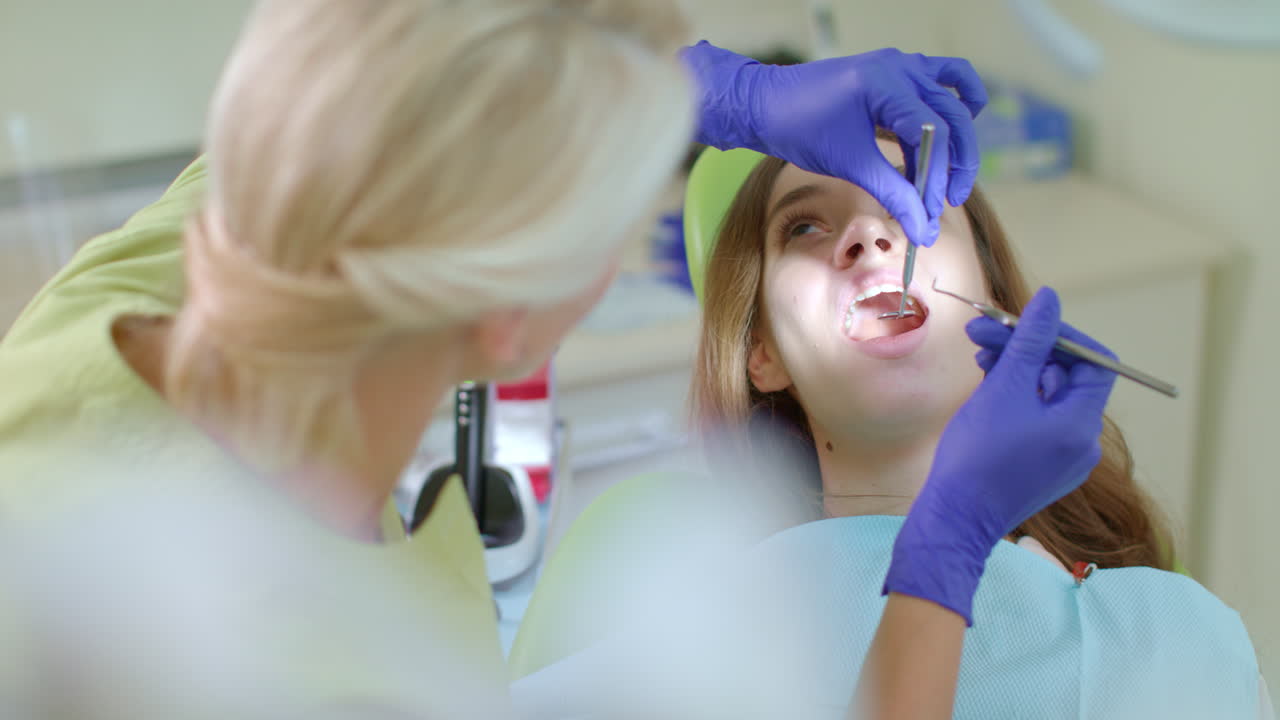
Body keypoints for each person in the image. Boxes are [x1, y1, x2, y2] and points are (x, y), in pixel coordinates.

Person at [0, 0, 1112, 716]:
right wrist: (945, 546)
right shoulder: (360, 675)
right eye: (803, 228)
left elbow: (398, 85)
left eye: (902, 214)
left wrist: (721, 92)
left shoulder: (111, 314)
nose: (872, 233)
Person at [680, 134, 1271, 717]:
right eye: (805, 227)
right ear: (763, 353)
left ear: (993, 299)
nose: (867, 235)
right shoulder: (685, 640)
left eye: (916, 203)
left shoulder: (1169, 634)